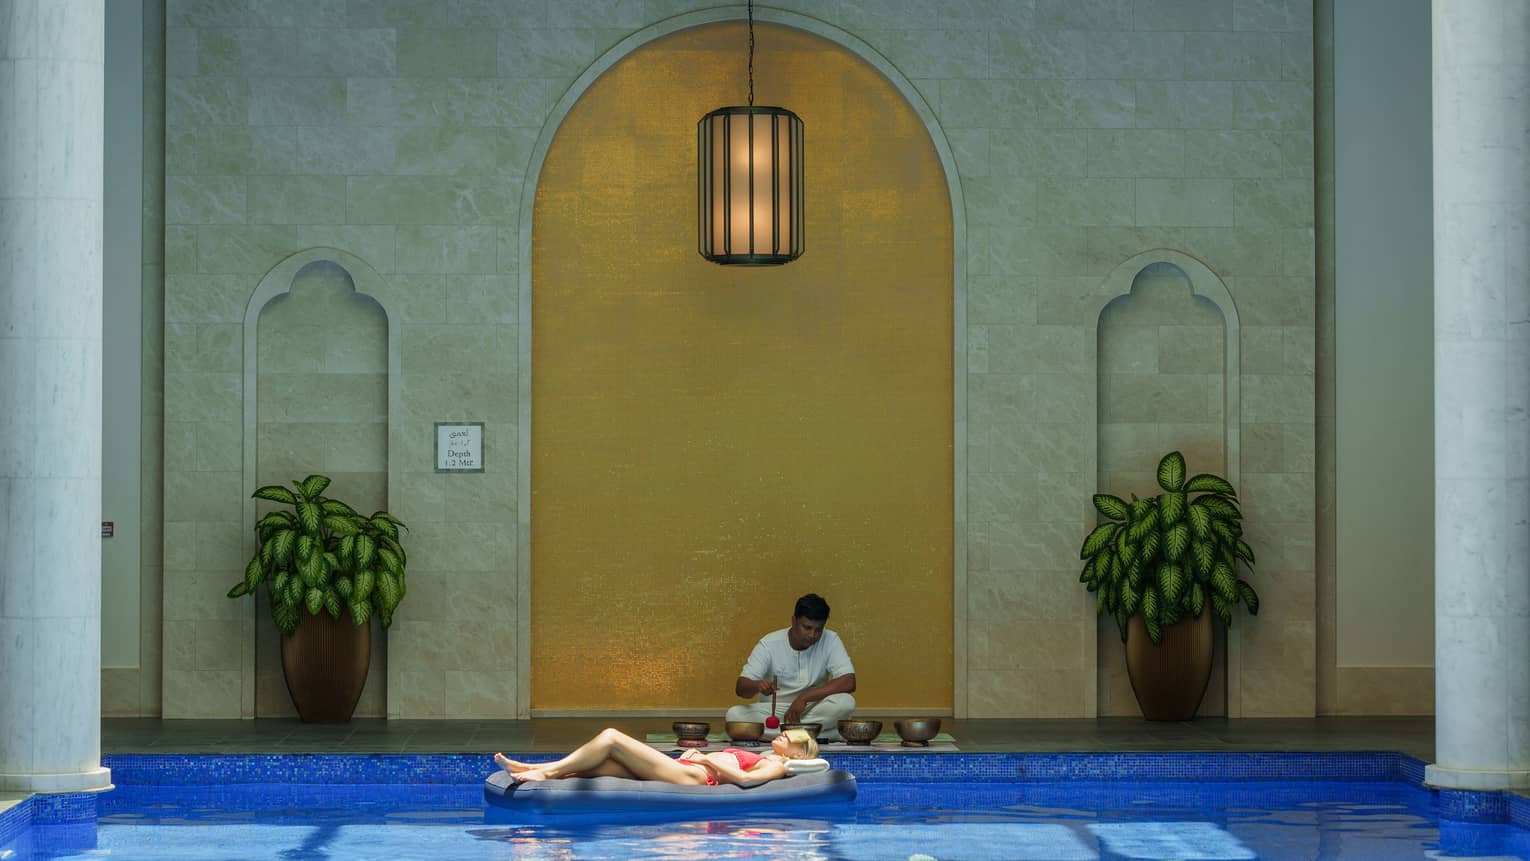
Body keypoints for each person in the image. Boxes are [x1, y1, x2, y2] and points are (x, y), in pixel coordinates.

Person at [493, 727, 819, 786]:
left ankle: (545, 773)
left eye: (791, 737)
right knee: (604, 764)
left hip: (696, 778)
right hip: (687, 768)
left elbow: (746, 780)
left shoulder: (778, 765)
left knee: (611, 738)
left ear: (799, 751)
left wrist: (706, 761)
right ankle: (535, 767)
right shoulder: (765, 753)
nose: (784, 735)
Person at [726, 593, 857, 741]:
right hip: (775, 711)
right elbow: (742, 688)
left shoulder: (831, 639)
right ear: (794, 621)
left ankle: (777, 735)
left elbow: (849, 681)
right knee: (734, 714)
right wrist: (757, 685)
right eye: (807, 627)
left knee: (846, 702)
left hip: (812, 707)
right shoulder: (769, 644)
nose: (812, 635)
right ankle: (822, 735)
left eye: (818, 629)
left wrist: (804, 698)